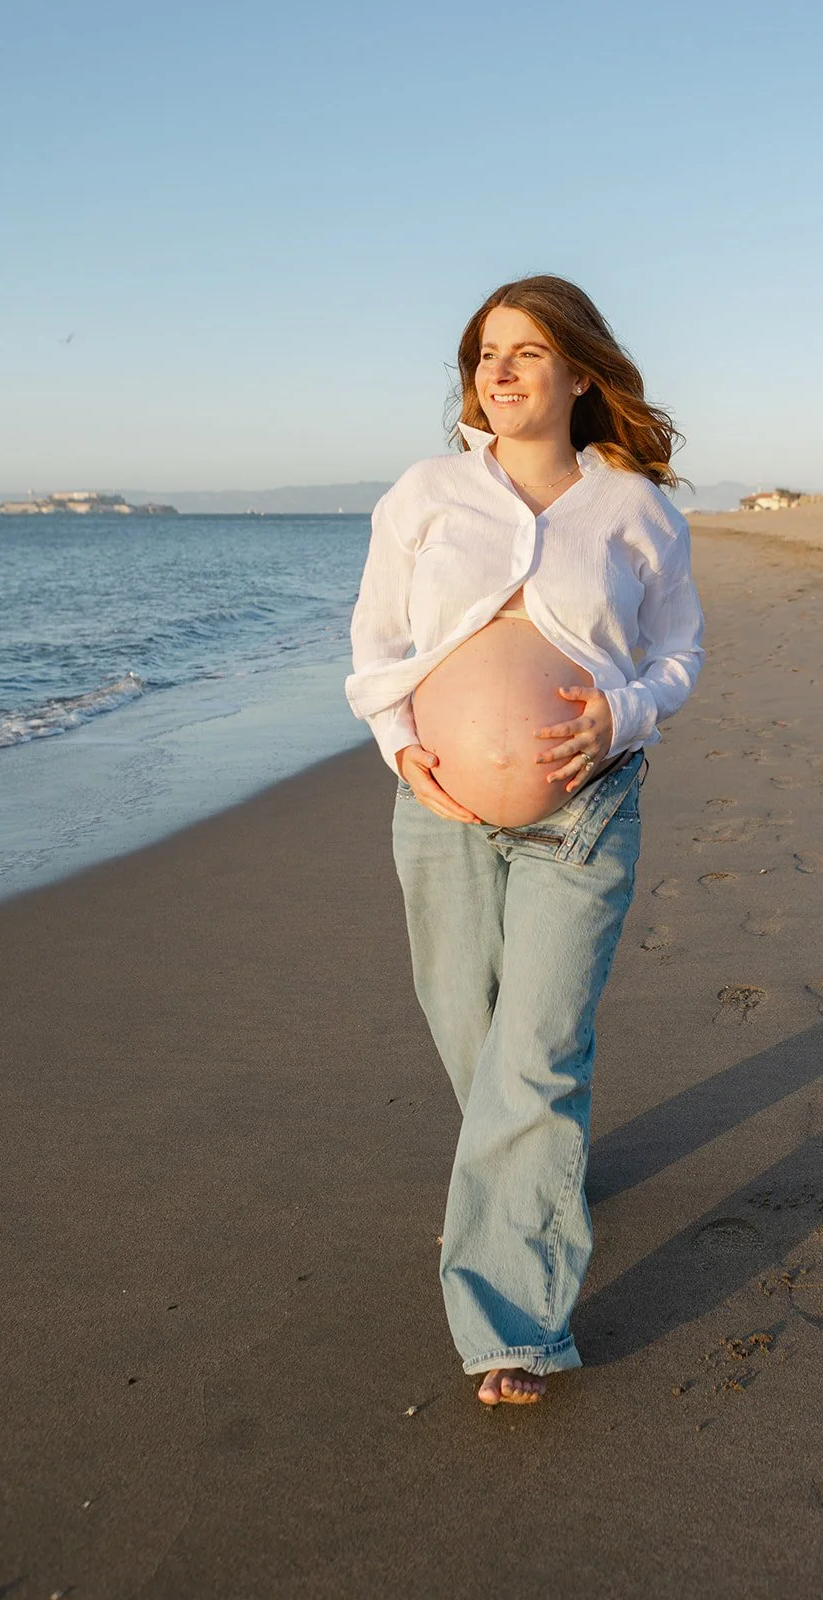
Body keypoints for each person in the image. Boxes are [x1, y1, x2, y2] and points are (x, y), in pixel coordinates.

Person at [345, 275, 705, 1406]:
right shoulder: (424, 494)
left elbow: (677, 657)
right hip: (436, 811)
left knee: (537, 1054)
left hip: (585, 811)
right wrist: (407, 753)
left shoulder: (634, 510)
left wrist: (616, 716)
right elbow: (376, 644)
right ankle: (540, 1165)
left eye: (526, 353)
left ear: (581, 373)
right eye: (484, 355)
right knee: (475, 1042)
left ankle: (511, 1324)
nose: (498, 373)